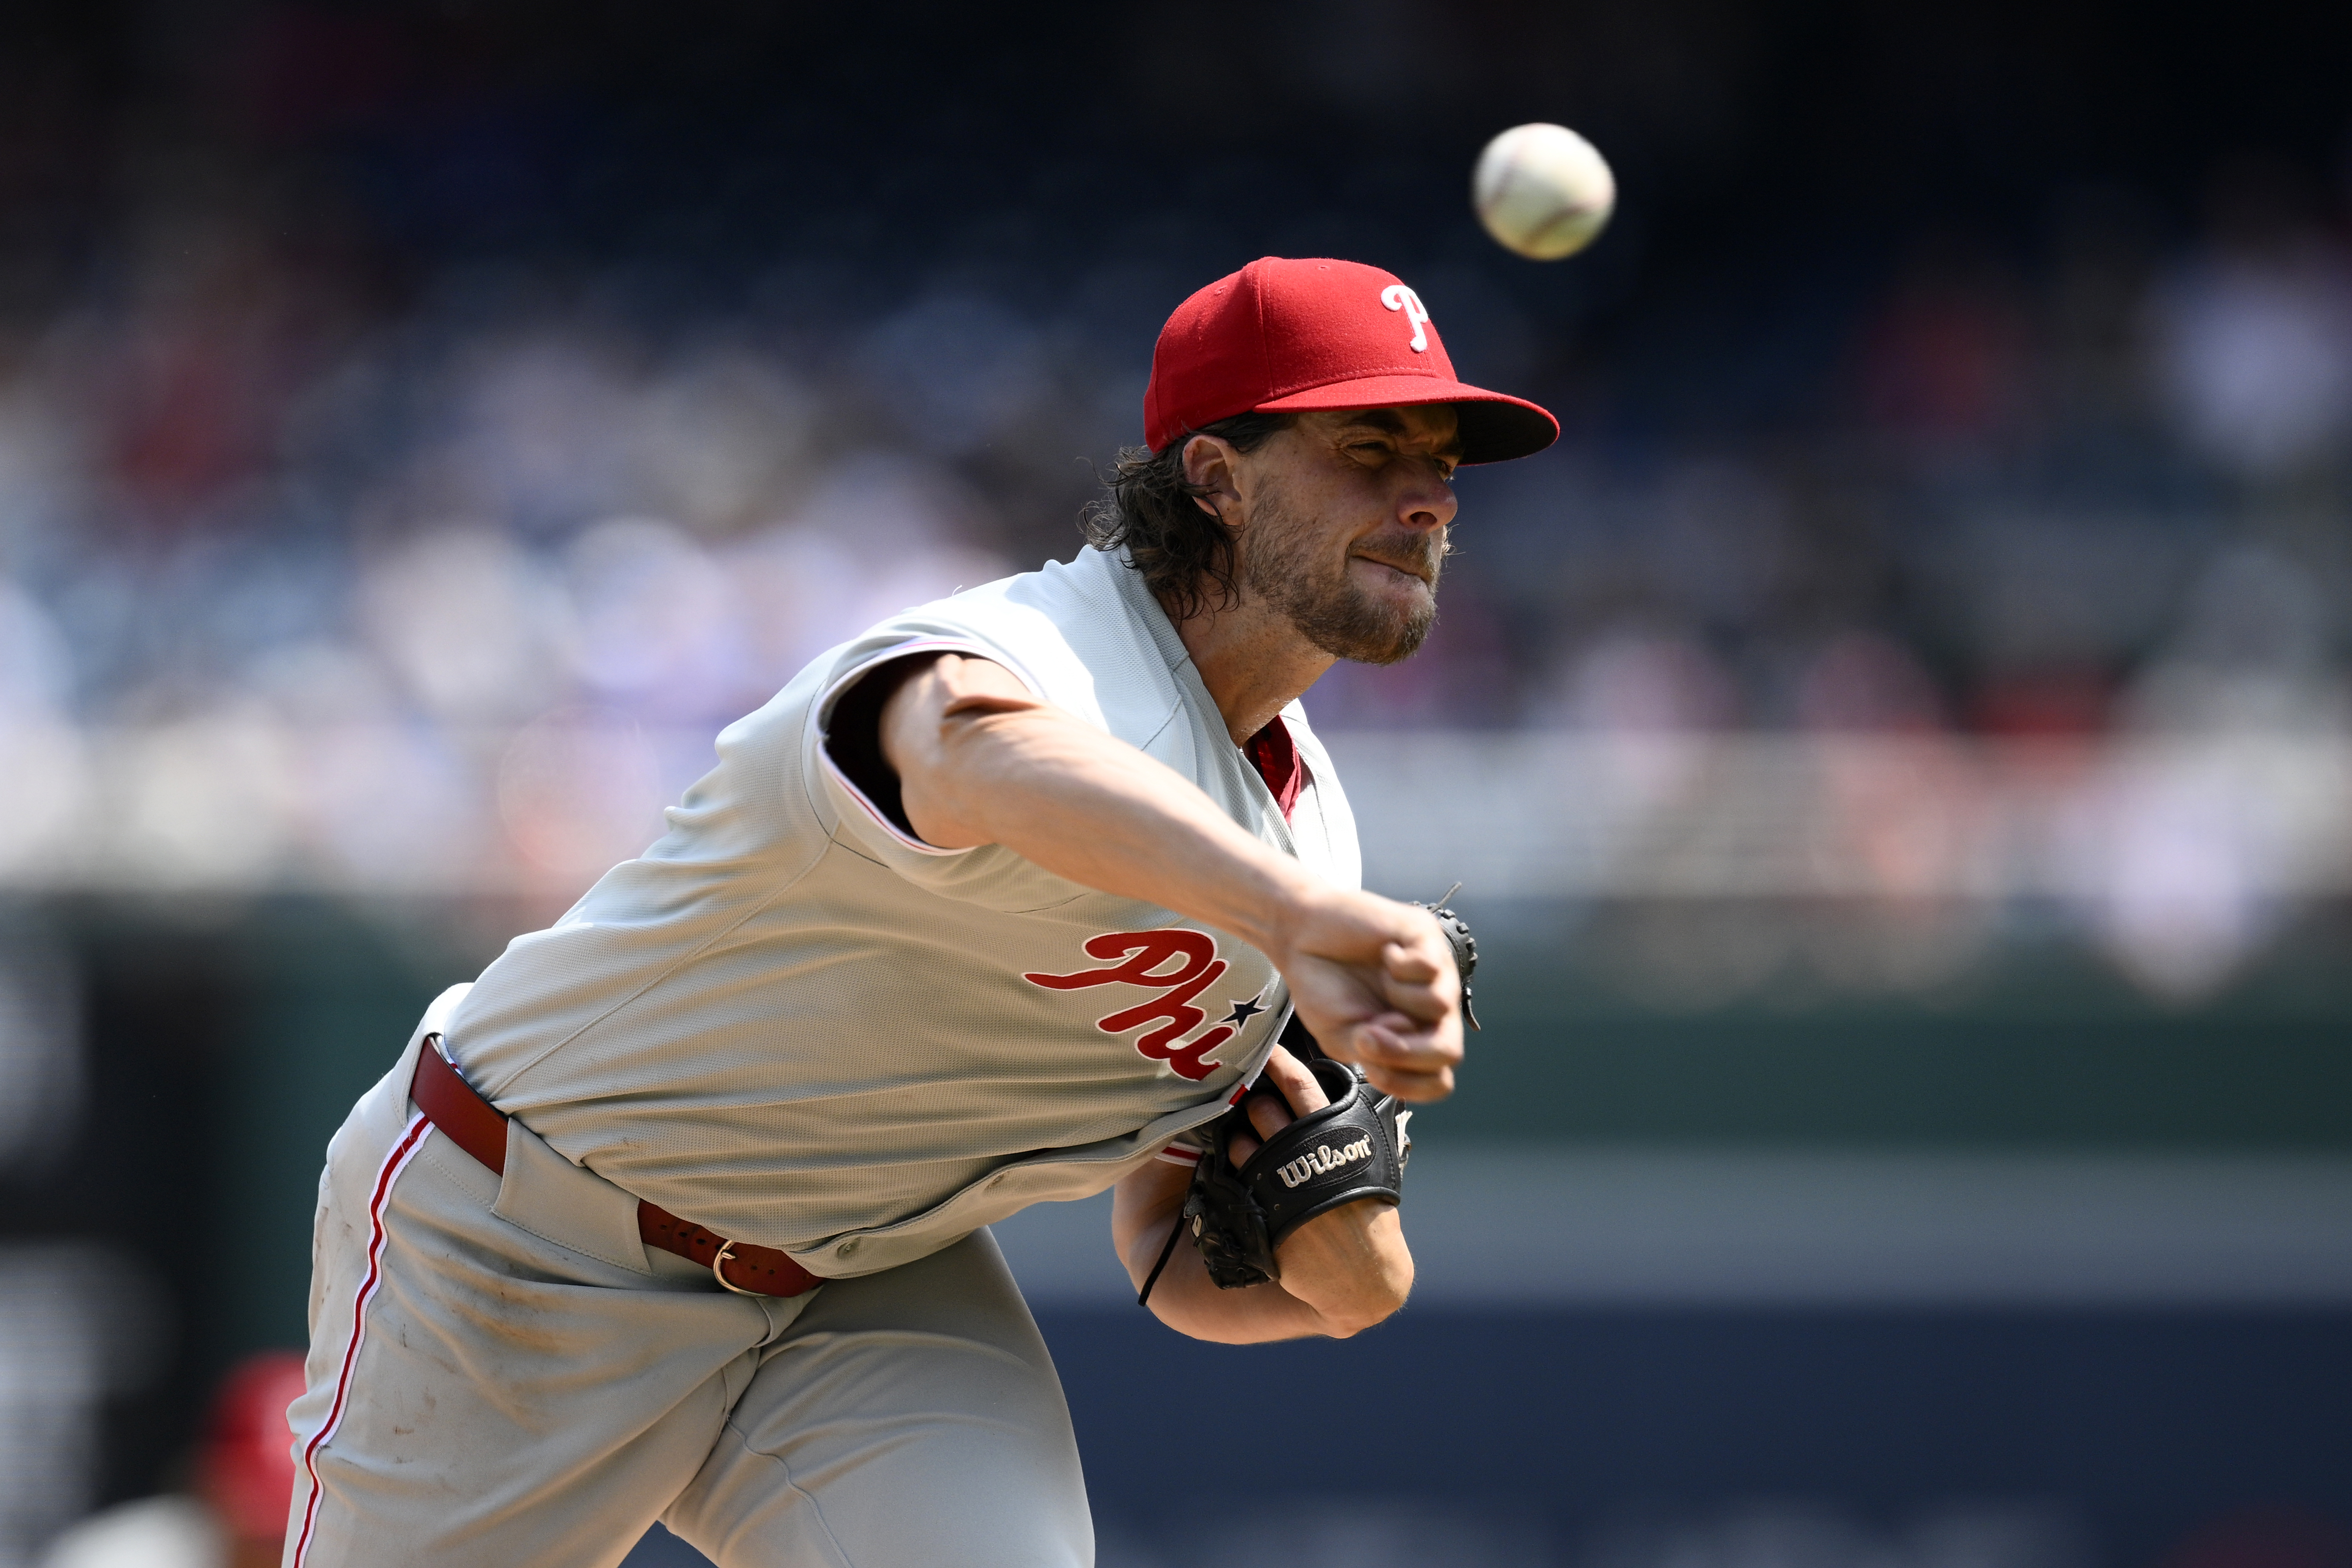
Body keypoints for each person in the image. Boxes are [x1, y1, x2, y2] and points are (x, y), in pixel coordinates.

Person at [285, 256, 1558, 1568]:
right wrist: (1288, 915)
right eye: (1365, 446)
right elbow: (964, 750)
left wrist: (1355, 1274)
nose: (1424, 497)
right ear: (1216, 479)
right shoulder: (1038, 654)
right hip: (531, 1228)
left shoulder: (1310, 834)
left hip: (867, 1286)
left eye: (1440, 461)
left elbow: (1166, 1246)